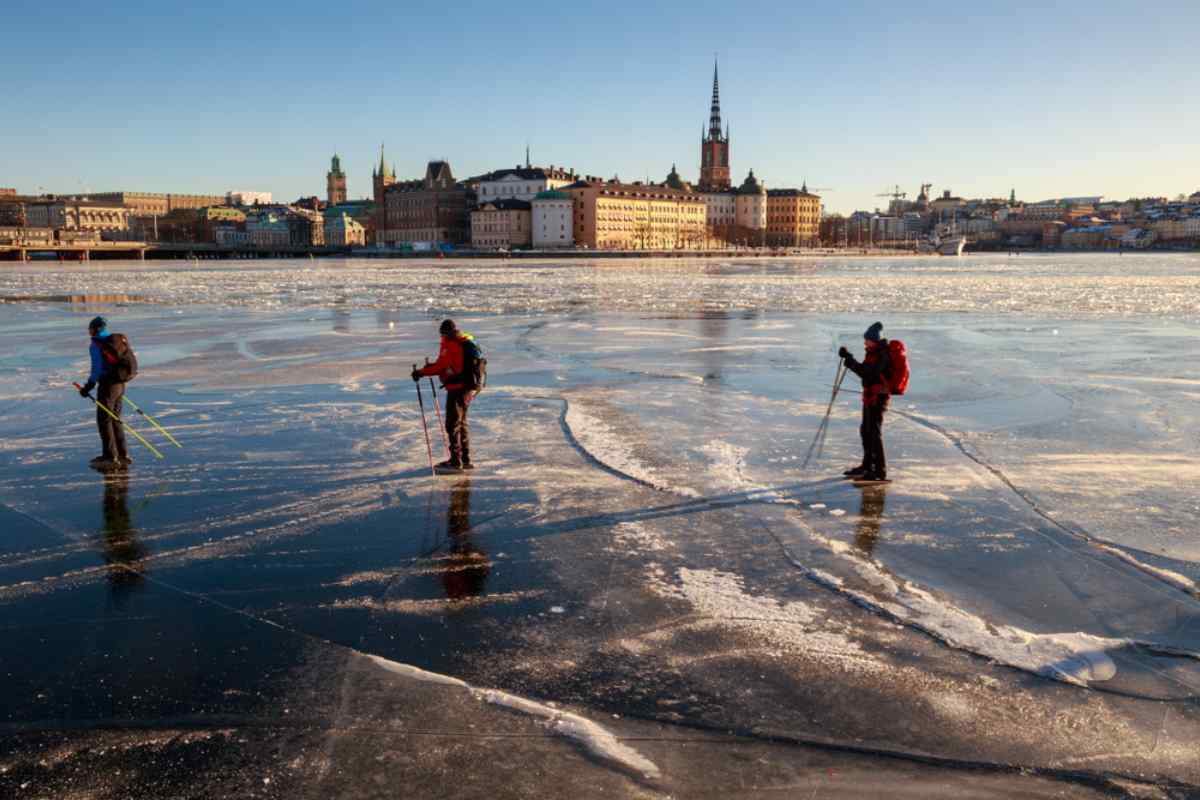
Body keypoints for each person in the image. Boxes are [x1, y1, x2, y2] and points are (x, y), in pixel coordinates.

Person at [413, 319, 475, 471]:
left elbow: (441, 365)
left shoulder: (450, 343)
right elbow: (446, 365)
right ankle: (465, 459)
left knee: (452, 424)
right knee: (461, 423)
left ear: (444, 332)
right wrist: (432, 368)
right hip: (467, 388)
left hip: (457, 388)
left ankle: (456, 461)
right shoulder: (462, 341)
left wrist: (421, 372)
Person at [839, 321, 892, 482]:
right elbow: (865, 370)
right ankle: (867, 466)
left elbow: (869, 373)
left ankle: (879, 472)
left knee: (874, 433)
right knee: (866, 431)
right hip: (870, 396)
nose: (864, 342)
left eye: (867, 339)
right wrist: (849, 358)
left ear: (874, 340)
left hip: (879, 397)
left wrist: (851, 362)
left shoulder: (882, 355)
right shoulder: (872, 352)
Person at [79, 316, 131, 470]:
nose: (89, 331)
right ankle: (122, 455)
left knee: (104, 420)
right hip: (120, 384)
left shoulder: (97, 344)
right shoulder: (115, 341)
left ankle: (110, 457)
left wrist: (88, 386)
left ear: (96, 329)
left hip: (108, 386)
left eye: (90, 328)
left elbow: (96, 369)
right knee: (115, 418)